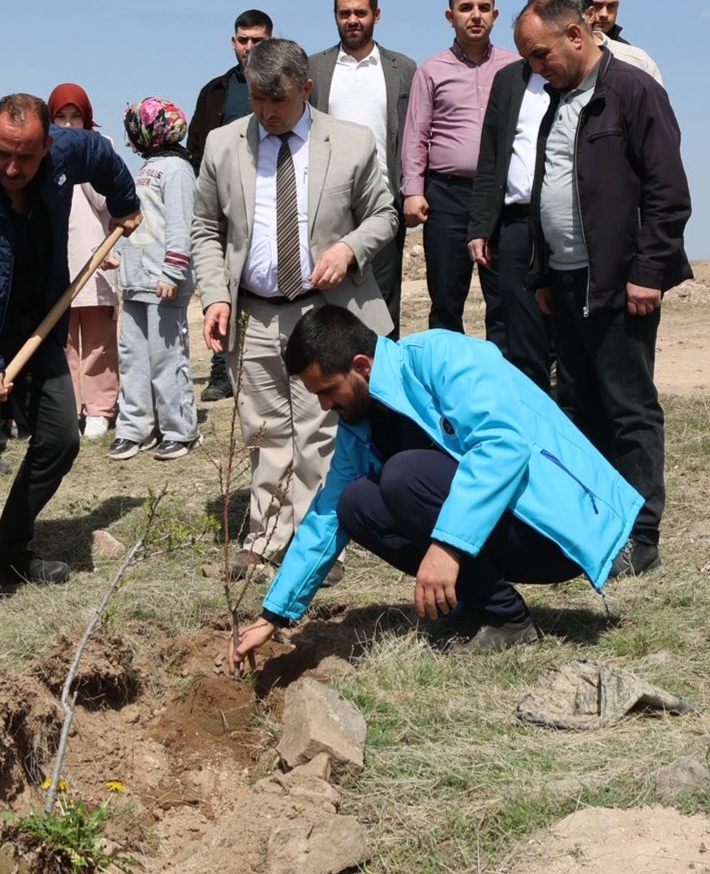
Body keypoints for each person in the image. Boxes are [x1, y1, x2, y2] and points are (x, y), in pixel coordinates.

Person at [227, 307, 642, 668]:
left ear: (362, 365)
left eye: (328, 390)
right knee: (354, 502)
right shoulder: (358, 423)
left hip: (555, 529)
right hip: (497, 533)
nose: (323, 406)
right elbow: (326, 516)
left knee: (404, 475)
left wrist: (447, 547)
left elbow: (504, 445)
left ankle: (506, 618)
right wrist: (273, 616)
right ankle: (471, 601)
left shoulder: (441, 357)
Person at [0, 93, 141, 636]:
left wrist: (124, 200)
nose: (14, 168)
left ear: (48, 144)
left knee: (61, 437)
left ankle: (10, 549)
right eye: (2, 155)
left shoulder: (69, 150)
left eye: (26, 156)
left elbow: (107, 160)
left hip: (38, 322)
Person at [193, 38, 400, 581]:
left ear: (306, 89)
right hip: (256, 311)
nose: (267, 113)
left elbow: (384, 214)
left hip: (323, 310)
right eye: (259, 101)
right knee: (263, 431)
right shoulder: (222, 145)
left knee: (317, 429)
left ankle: (314, 543)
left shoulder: (351, 142)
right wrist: (215, 292)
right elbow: (207, 228)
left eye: (278, 102)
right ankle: (264, 539)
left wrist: (349, 248)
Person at [518, 0, 691, 578]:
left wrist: (648, 271)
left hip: (621, 286)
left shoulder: (634, 92)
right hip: (565, 285)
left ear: (575, 34)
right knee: (576, 405)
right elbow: (552, 190)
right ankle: (593, 526)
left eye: (539, 54)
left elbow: (668, 193)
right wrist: (544, 273)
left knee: (628, 406)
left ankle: (640, 536)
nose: (535, 66)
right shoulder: (557, 103)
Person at [401, 0, 519, 339]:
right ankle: (449, 380)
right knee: (447, 298)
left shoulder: (515, 68)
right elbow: (416, 137)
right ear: (450, 17)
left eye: (484, 6)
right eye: (466, 7)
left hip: (500, 198)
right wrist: (413, 191)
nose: (476, 14)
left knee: (503, 297)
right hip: (447, 196)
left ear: (496, 16)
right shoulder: (431, 70)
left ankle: (501, 379)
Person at [308, 0, 417, 338]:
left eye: (360, 13)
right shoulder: (314, 68)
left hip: (381, 204)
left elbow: (413, 133)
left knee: (383, 307)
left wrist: (411, 189)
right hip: (328, 207)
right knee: (328, 305)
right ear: (335, 17)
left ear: (376, 15)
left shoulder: (403, 68)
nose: (352, 20)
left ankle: (383, 387)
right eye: (345, 13)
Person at [190, 8, 275, 403]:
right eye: (244, 40)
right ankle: (221, 371)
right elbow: (196, 150)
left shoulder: (288, 85)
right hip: (225, 206)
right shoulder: (216, 92)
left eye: (258, 40)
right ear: (233, 42)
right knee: (222, 286)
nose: (249, 47)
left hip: (276, 201)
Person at [110, 98, 200, 463]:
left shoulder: (177, 170)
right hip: (134, 281)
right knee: (133, 358)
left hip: (163, 282)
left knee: (167, 357)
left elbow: (181, 222)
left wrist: (173, 271)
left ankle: (179, 429)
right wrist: (116, 255)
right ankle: (134, 427)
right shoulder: (146, 168)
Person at [467, 55, 554, 390]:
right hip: (516, 224)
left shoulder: (578, 76)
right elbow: (490, 155)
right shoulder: (508, 79)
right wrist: (480, 225)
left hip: (565, 224)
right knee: (520, 339)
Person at [50, 83, 123, 442]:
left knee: (98, 340)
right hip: (57, 256)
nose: (67, 125)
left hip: (96, 252)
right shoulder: (42, 150)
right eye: (59, 117)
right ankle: (71, 407)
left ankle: (100, 408)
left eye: (74, 117)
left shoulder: (100, 145)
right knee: (64, 341)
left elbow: (107, 201)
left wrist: (84, 155)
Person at [585, 0, 662, 85]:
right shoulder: (568, 53)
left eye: (611, 6)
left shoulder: (635, 59)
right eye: (597, 5)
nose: (604, 14)